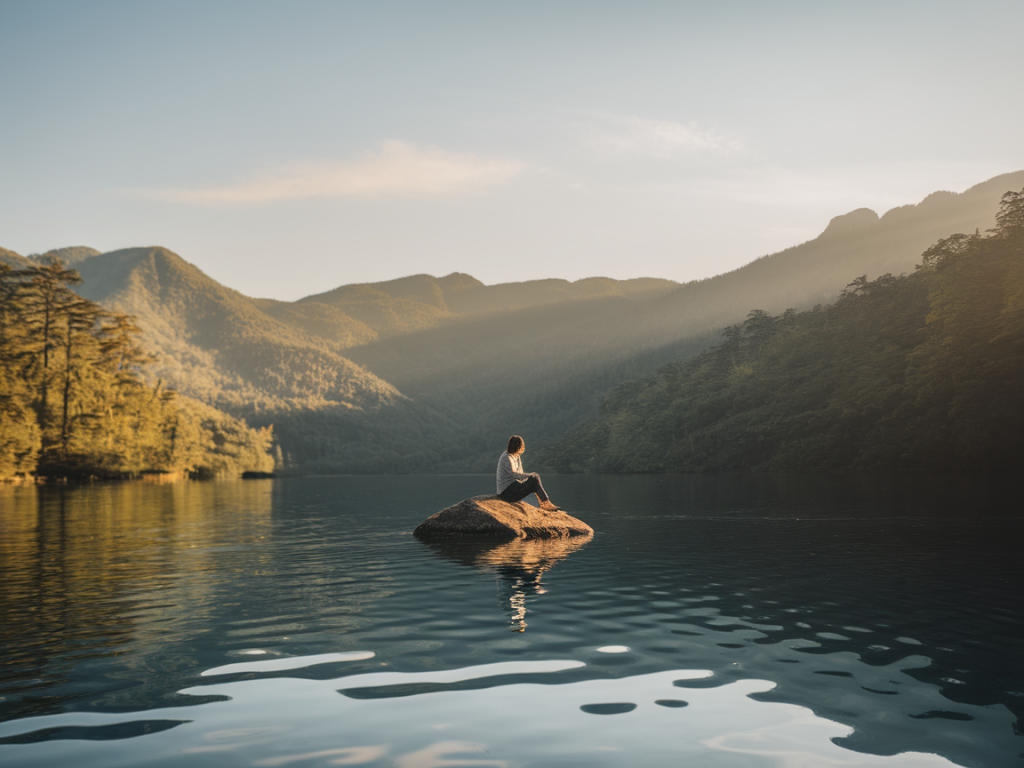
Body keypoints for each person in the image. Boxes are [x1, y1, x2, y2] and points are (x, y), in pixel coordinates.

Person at [496, 435, 560, 510]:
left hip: (514, 487)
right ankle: (545, 503)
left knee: (534, 478)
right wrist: (529, 476)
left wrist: (530, 478)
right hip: (506, 492)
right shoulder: (506, 457)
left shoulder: (516, 456)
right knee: (533, 478)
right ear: (520, 447)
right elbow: (513, 474)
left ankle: (545, 502)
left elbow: (520, 473)